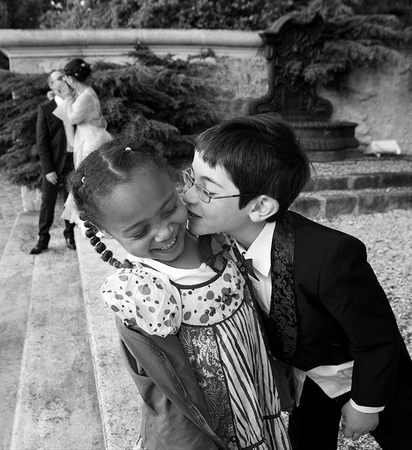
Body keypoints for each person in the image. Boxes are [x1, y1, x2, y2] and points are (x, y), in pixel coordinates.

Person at [183, 114, 412, 450]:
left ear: (261, 206)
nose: (188, 195)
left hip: (366, 372)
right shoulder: (221, 242)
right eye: (191, 178)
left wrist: (366, 405)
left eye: (205, 189)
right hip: (307, 375)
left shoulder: (329, 257)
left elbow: (378, 339)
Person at [69, 137, 290, 450]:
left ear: (175, 186)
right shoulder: (143, 292)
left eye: (169, 209)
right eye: (139, 232)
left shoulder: (214, 235)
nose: (163, 232)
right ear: (106, 232)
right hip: (211, 421)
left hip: (254, 389)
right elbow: (164, 387)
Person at [54, 58, 112, 228]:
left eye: (65, 77)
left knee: (90, 177)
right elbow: (70, 108)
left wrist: (66, 97)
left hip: (91, 139)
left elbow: (71, 117)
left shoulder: (86, 95)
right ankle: (93, 216)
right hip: (86, 136)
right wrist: (61, 96)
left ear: (71, 78)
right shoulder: (82, 93)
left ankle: (99, 217)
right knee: (86, 177)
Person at [30, 69, 76, 254]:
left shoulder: (74, 105)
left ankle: (70, 234)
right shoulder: (45, 109)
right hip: (54, 164)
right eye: (59, 79)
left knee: (70, 201)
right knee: (47, 202)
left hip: (73, 161)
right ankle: (43, 237)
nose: (63, 80)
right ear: (51, 85)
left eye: (65, 76)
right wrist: (48, 169)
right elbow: (42, 142)